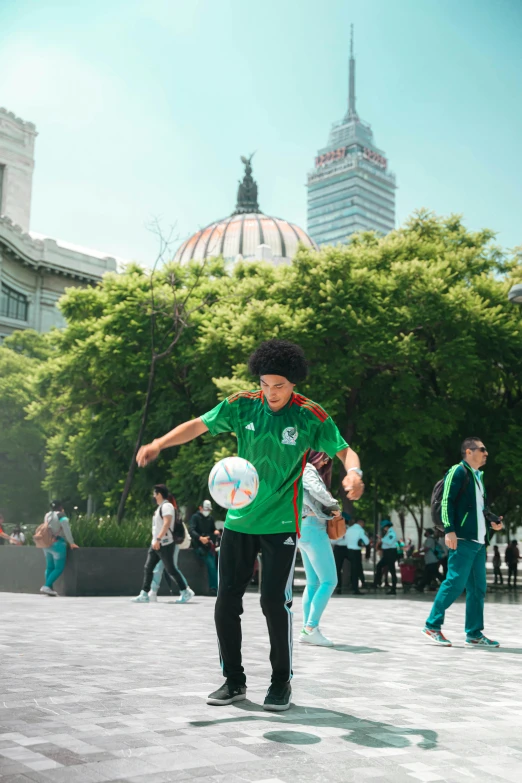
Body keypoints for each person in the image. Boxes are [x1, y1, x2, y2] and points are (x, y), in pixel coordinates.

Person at [137, 339, 364, 712]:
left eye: (280, 386)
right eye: (265, 384)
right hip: (239, 522)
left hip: (280, 525)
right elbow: (198, 425)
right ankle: (234, 681)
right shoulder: (243, 404)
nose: (271, 393)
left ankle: (280, 683)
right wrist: (160, 443)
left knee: (274, 602)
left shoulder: (310, 415)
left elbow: (344, 450)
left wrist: (353, 473)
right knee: (226, 601)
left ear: (293, 384)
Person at [422, 437, 503, 647]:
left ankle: (474, 633)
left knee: (478, 589)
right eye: (482, 449)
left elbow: (479, 509)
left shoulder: (478, 477)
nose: (486, 453)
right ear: (469, 451)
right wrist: (449, 530)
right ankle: (432, 625)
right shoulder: (457, 471)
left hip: (478, 542)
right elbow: (447, 500)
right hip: (463, 539)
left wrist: (492, 519)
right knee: (455, 583)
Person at [298, 451, 341, 647]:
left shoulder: (297, 468)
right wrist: (333, 505)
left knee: (313, 582)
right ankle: (310, 628)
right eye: (324, 457)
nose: (325, 462)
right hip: (314, 529)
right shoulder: (307, 468)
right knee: (330, 580)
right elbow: (316, 489)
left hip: (304, 528)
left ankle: (307, 629)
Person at [132, 484, 194, 604]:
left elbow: (167, 523)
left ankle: (185, 591)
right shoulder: (160, 507)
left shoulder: (167, 506)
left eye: (154, 494)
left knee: (171, 569)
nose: (153, 496)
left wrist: (159, 539)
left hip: (164, 543)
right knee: (148, 567)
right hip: (156, 544)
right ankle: (144, 594)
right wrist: (155, 541)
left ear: (159, 494)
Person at [40, 501, 79, 596]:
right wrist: (71, 543)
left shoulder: (47, 515)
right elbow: (66, 529)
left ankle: (49, 588)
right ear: (61, 507)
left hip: (46, 543)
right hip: (58, 544)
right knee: (59, 568)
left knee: (49, 567)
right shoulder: (62, 516)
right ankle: (46, 586)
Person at [189, 500, 219, 596]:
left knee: (214, 565)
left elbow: (212, 529)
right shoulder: (195, 517)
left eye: (209, 509)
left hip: (209, 545)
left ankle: (215, 587)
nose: (207, 511)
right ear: (200, 508)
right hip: (198, 546)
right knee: (211, 564)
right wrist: (200, 538)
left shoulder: (210, 518)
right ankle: (214, 588)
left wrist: (215, 532)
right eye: (205, 509)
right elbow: (192, 530)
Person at [334, 515, 368, 596]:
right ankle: (342, 587)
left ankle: (354, 585)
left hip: (347, 548)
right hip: (341, 549)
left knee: (355, 568)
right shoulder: (350, 529)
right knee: (342, 568)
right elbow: (333, 540)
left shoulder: (349, 529)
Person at [373, 520, 398, 595]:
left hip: (391, 553)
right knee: (379, 566)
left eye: (383, 527)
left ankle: (393, 589)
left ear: (386, 527)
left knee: (392, 570)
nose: (383, 528)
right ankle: (377, 582)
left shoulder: (392, 533)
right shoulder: (388, 533)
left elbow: (390, 542)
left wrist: (382, 539)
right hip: (387, 553)